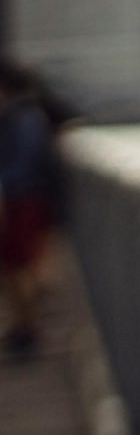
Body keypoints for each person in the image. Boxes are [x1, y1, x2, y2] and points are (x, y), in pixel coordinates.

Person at [0, 61, 67, 358]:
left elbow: (23, 163)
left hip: (21, 200)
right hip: (26, 198)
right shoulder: (26, 113)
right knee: (22, 265)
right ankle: (25, 326)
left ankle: (27, 328)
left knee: (21, 265)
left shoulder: (24, 116)